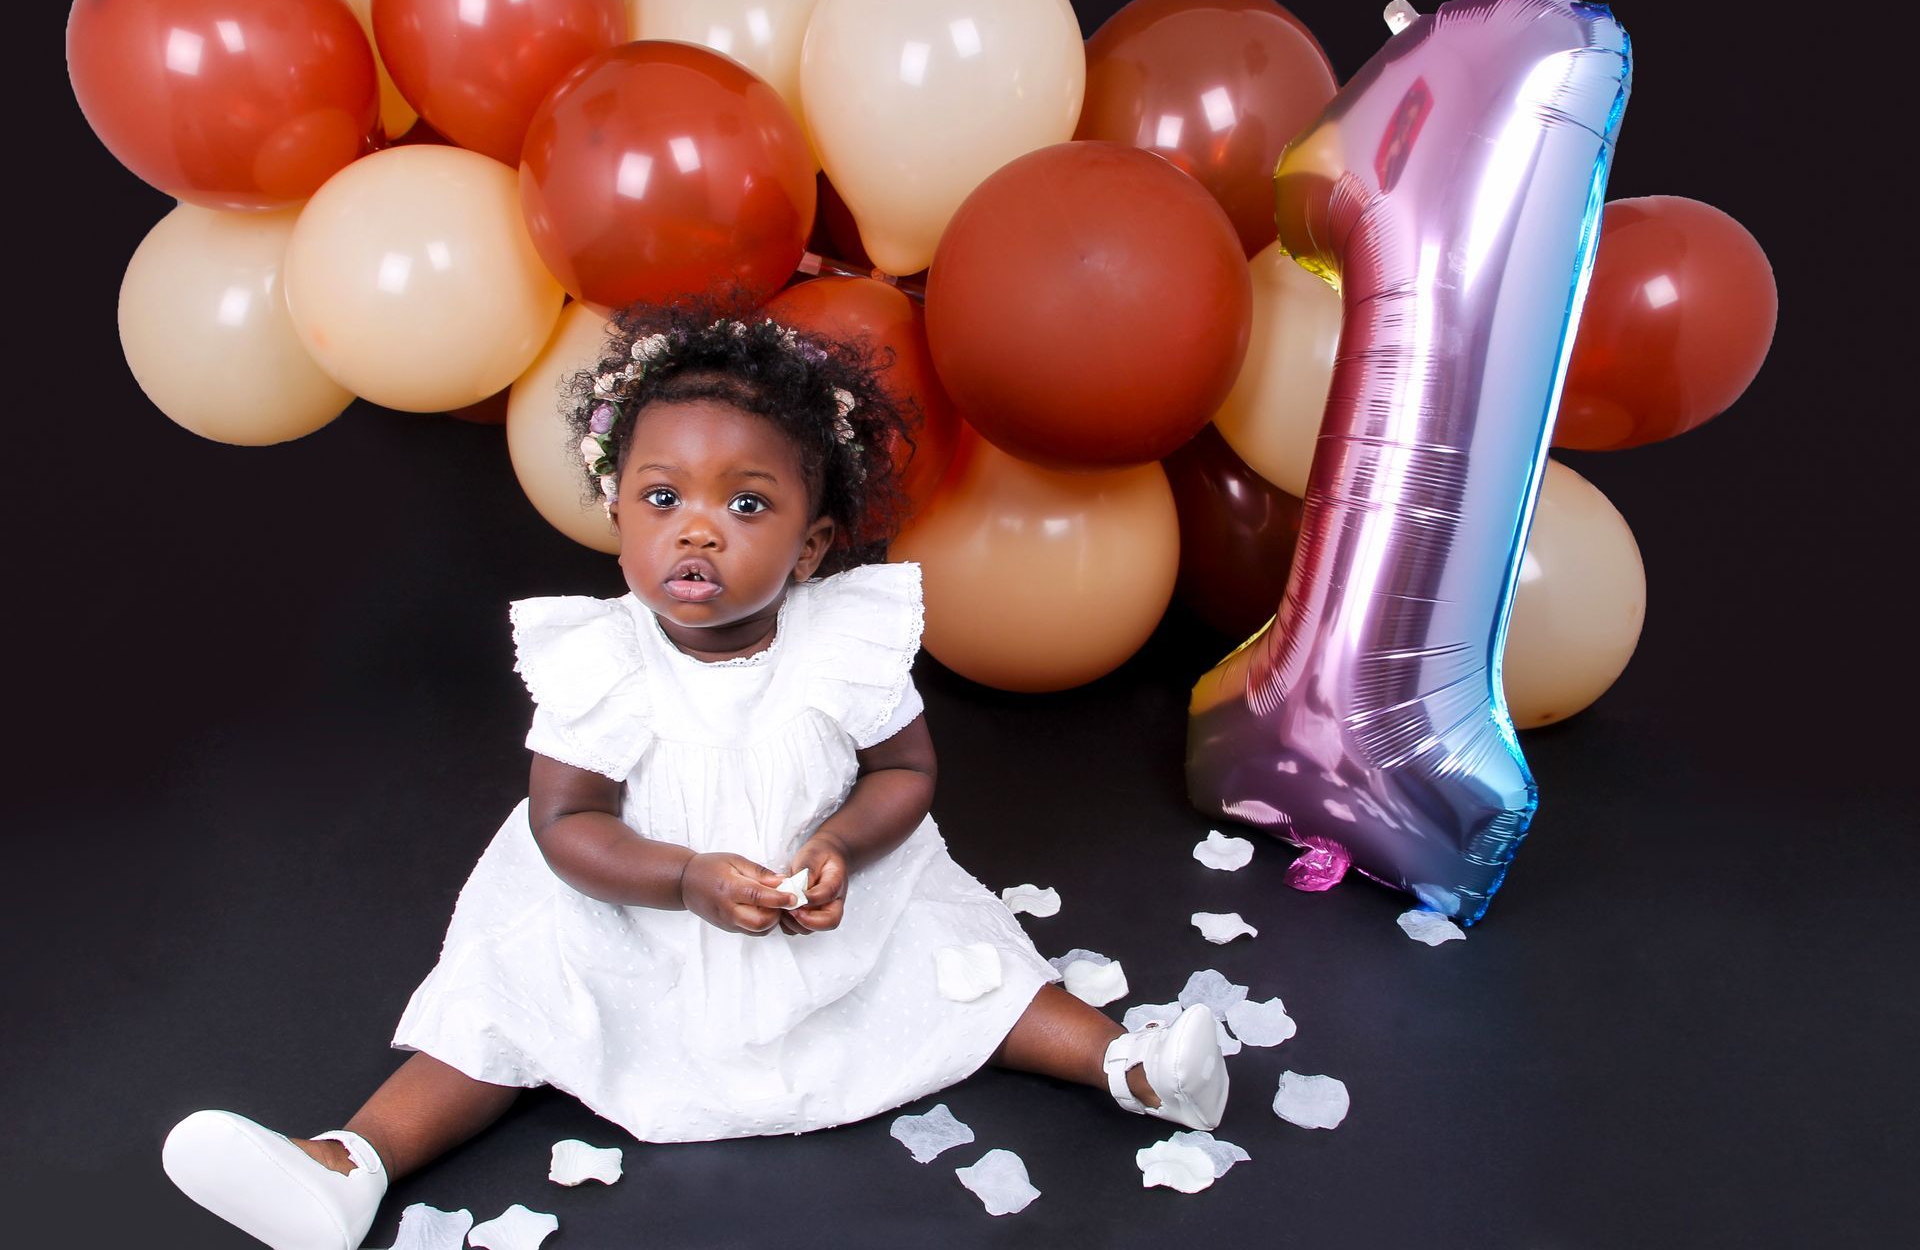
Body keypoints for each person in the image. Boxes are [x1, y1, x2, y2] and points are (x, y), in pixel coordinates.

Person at [161, 309, 1228, 1249]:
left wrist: (842, 844)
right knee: (510, 1003)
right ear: (618, 515)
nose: (699, 527)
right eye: (663, 495)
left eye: (748, 505)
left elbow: (905, 768)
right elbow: (565, 820)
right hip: (635, 908)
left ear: (811, 547)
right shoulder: (605, 662)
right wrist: (680, 878)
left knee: (961, 963)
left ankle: (1130, 1067)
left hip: (823, 901)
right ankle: (352, 1161)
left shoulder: (841, 647)